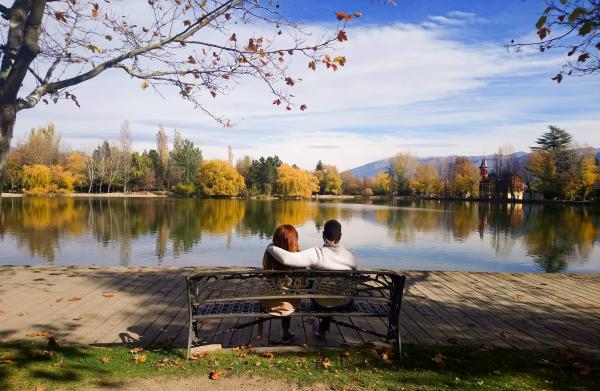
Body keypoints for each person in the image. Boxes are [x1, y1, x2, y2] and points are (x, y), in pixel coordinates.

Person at [266, 219, 357, 338]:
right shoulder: (351, 257)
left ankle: (321, 329)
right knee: (333, 288)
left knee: (320, 287)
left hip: (320, 303)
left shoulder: (316, 253)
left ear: (323, 235)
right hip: (344, 302)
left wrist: (270, 246)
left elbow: (286, 259)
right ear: (340, 236)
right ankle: (321, 329)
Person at [260, 224, 302, 343]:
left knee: (281, 293)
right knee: (289, 295)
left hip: (267, 304)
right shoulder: (298, 258)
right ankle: (285, 332)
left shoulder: (269, 254)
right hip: (290, 306)